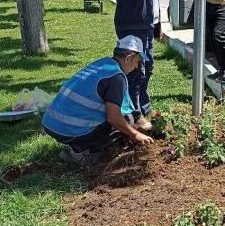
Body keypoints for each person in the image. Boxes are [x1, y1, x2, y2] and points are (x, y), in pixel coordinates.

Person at [113, 0, 198, 131]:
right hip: (132, 29)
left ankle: (144, 106)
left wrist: (157, 25)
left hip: (146, 28)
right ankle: (135, 115)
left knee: (147, 68)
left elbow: (151, 0)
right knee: (135, 72)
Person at [42, 35, 155, 166]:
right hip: (66, 128)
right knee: (123, 122)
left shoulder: (103, 64)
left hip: (51, 122)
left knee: (125, 119)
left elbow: (123, 105)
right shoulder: (116, 77)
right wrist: (136, 134)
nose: (136, 67)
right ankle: (80, 154)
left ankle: (76, 145)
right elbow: (114, 118)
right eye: (137, 61)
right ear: (128, 58)